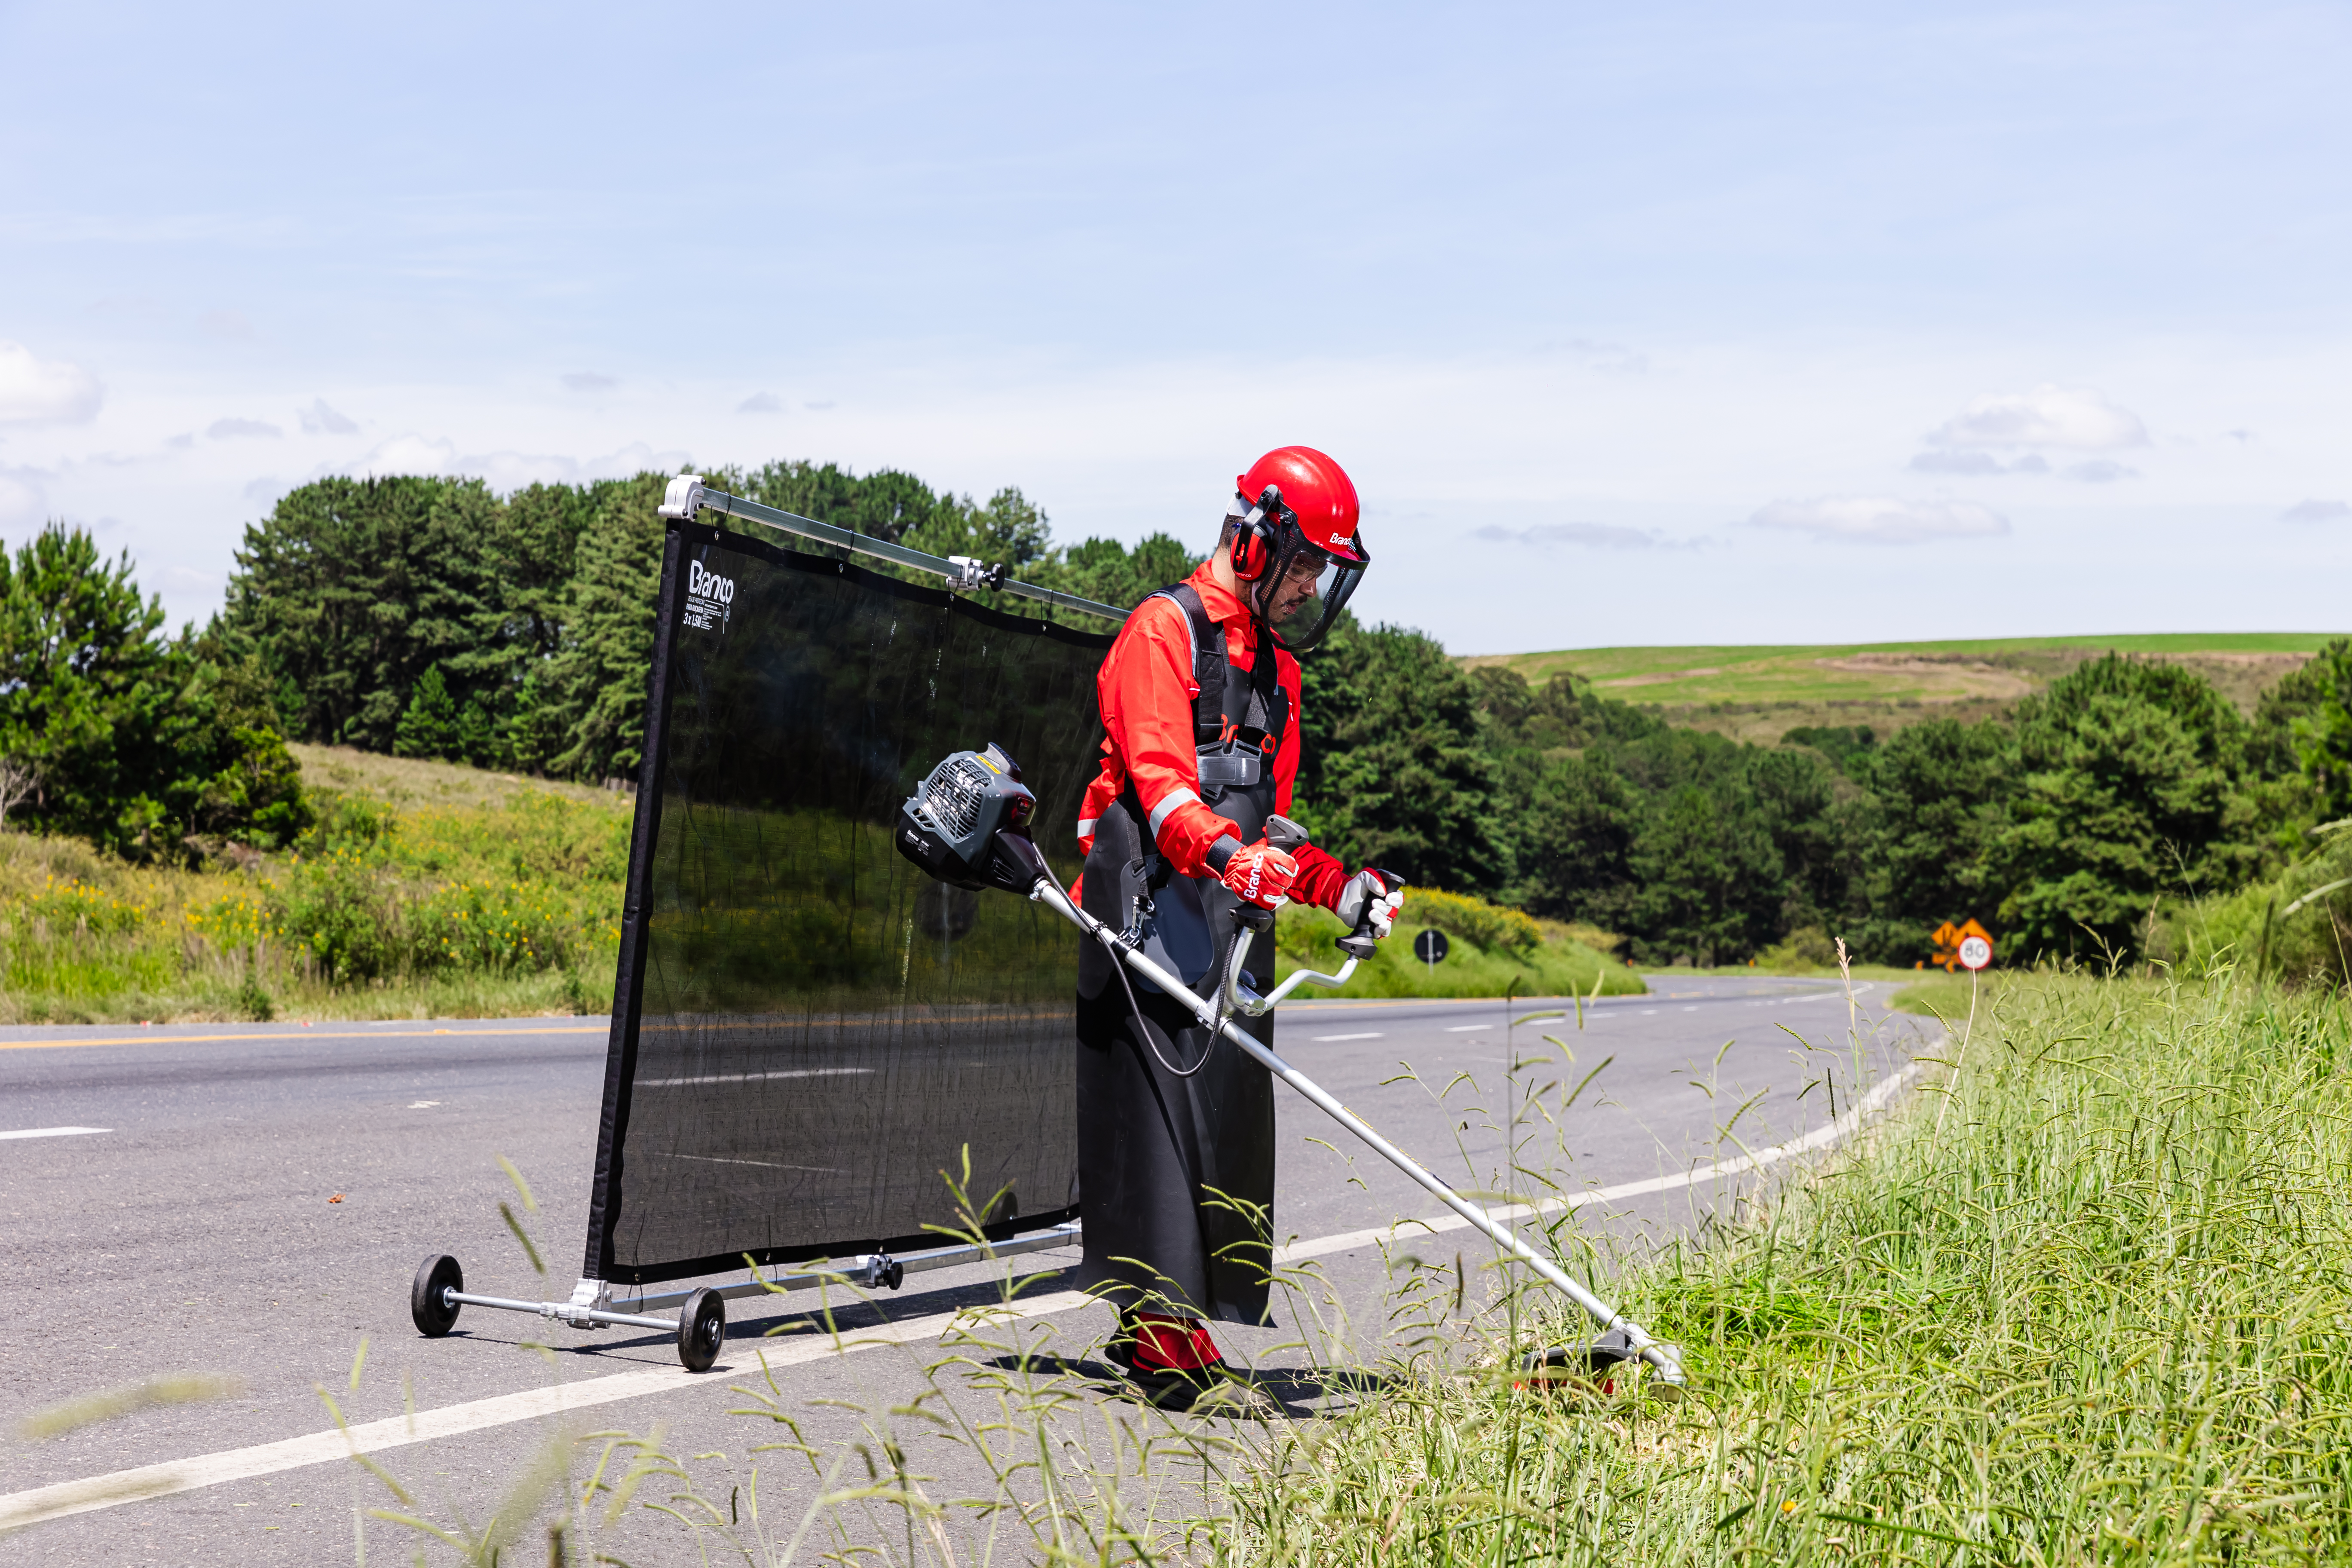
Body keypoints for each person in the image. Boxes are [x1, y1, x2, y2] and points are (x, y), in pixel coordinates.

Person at [1069, 444, 1406, 1408]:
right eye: (1303, 564)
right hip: (1146, 905)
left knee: (1226, 1114)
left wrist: (1335, 887)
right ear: (1254, 542)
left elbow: (1277, 831)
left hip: (1230, 920)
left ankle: (1187, 1321)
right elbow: (1162, 782)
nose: (1310, 587)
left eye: (1323, 572)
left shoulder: (1281, 678)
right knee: (1158, 1111)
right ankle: (1152, 1330)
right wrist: (1226, 857)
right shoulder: (1162, 632)